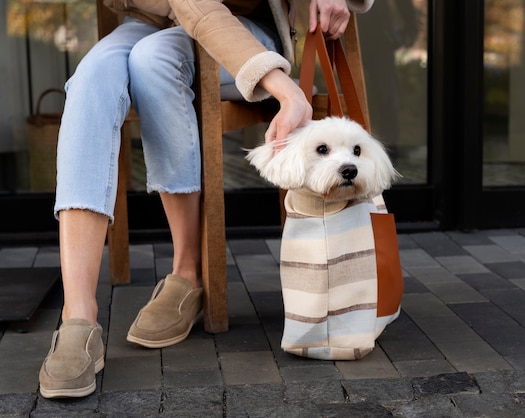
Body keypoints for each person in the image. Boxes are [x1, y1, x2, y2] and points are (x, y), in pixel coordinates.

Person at [38, 0, 373, 399]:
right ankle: (78, 317)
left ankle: (186, 272)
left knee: (155, 59)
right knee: (91, 77)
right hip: (153, 22)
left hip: (247, 28)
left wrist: (285, 88)